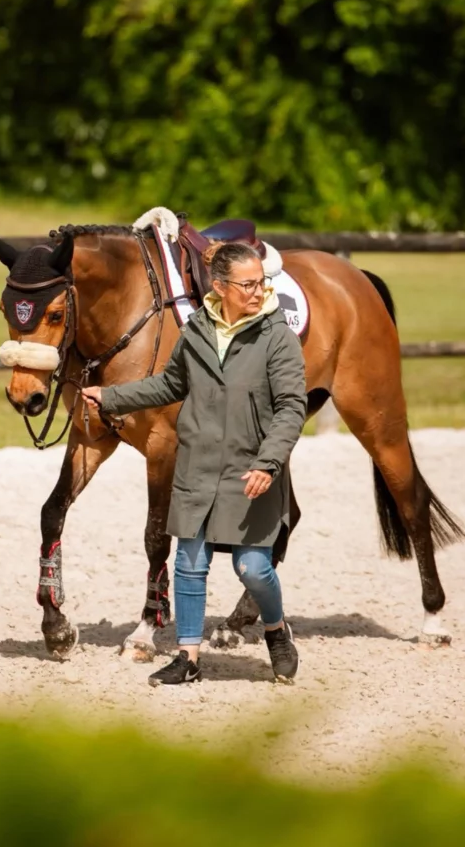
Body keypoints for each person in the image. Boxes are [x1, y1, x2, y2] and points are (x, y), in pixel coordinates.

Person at [81, 240, 307, 685]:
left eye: (261, 282)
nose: (259, 291)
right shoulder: (197, 330)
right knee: (189, 562)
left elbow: (291, 407)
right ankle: (188, 657)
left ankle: (276, 629)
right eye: (248, 284)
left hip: (251, 471)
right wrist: (111, 397)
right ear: (220, 287)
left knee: (253, 568)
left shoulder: (277, 336)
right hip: (198, 467)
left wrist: (268, 464)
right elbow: (170, 384)